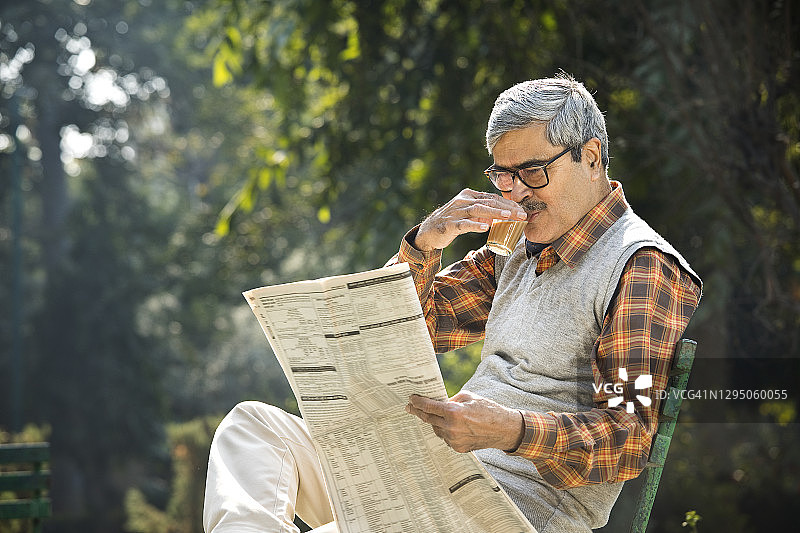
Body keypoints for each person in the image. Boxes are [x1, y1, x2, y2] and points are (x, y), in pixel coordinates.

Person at [203, 73, 702, 533]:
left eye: (532, 172)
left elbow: (628, 438)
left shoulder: (642, 267)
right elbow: (421, 328)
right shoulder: (518, 247)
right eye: (503, 176)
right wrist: (424, 244)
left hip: (509, 510)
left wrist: (511, 430)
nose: (516, 194)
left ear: (590, 156)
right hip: (431, 471)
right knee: (253, 428)